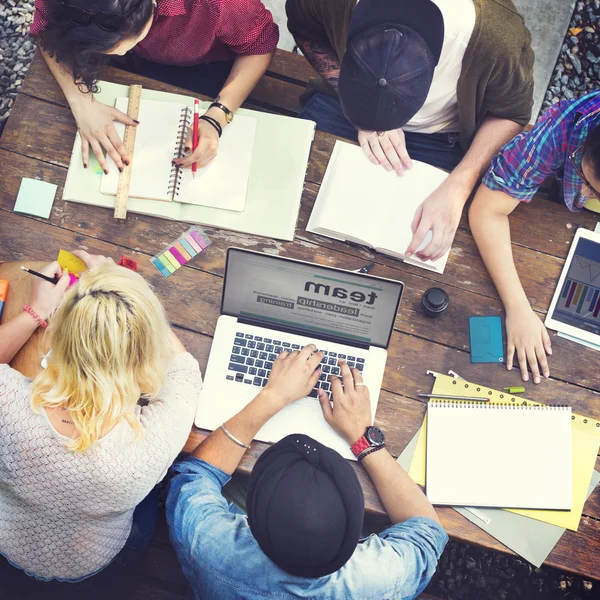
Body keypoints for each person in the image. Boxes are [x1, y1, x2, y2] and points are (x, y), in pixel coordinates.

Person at [167, 345, 447, 599]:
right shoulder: (378, 582)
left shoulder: (208, 545)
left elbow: (193, 477)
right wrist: (363, 440)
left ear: (250, 519)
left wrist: (271, 397)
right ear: (354, 533)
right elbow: (427, 532)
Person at [0, 251, 202, 591]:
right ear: (145, 352)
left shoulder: (8, 406)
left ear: (59, 337)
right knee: (147, 515)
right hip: (99, 562)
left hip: (8, 545)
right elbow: (186, 373)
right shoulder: (149, 445)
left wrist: (35, 311)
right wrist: (134, 306)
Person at [286, 0, 534, 263]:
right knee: (287, 205)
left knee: (416, 252)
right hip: (343, 105)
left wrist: (459, 186)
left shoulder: (496, 41)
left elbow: (511, 113)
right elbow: (304, 26)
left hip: (438, 136)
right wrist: (359, 110)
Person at [30, 0, 279, 174]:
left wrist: (217, 116)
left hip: (207, 65)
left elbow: (259, 43)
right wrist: (81, 102)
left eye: (122, 44)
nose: (117, 53)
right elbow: (46, 30)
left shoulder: (218, 4)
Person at [469, 92, 600, 384]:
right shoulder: (561, 129)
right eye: (587, 181)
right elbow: (487, 211)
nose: (586, 194)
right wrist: (517, 307)